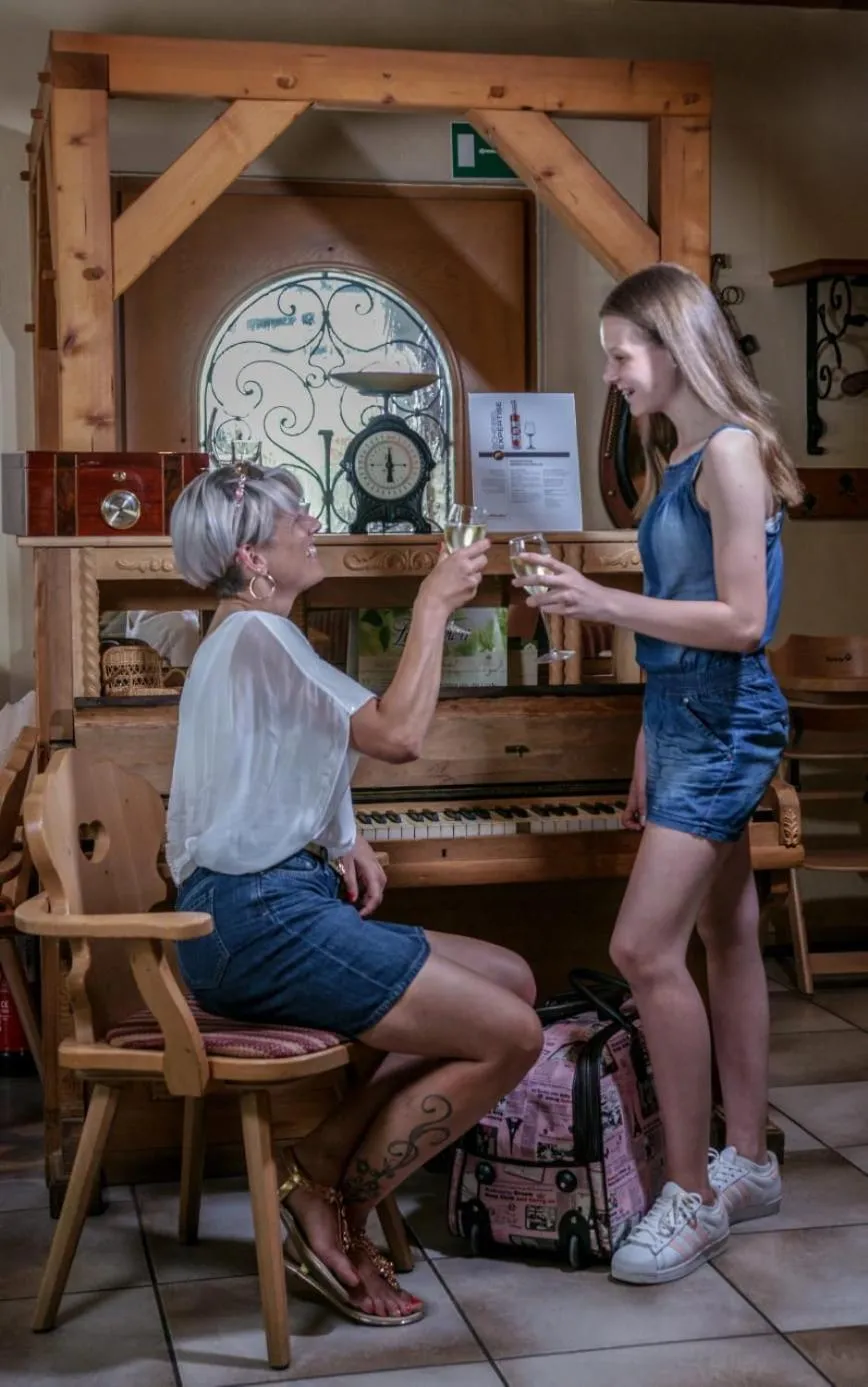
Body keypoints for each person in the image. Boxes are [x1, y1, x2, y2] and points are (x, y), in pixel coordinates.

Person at [167, 464, 543, 1325]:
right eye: (295, 516)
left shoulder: (249, 638)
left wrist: (343, 838)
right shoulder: (259, 634)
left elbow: (273, 760)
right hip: (255, 917)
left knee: (514, 979)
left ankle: (322, 1161)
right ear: (252, 557)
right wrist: (431, 606)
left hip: (262, 905)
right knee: (513, 1033)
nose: (313, 523)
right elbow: (399, 736)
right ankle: (340, 1205)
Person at [512, 262, 802, 1285]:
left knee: (641, 948)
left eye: (620, 355)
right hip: (682, 717)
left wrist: (603, 603)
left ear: (675, 347)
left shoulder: (729, 453)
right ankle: (748, 1162)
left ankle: (690, 1196)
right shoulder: (676, 455)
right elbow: (685, 620)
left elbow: (741, 622)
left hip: (726, 721)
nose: (611, 374)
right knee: (728, 933)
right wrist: (648, 737)